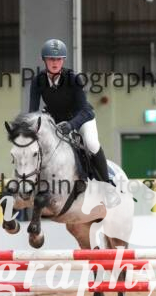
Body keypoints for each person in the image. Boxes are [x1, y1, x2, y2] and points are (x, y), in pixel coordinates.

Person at [29, 38, 113, 186]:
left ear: (63, 60)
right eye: (51, 59)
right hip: (56, 120)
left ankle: (107, 183)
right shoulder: (37, 81)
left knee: (91, 144)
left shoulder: (74, 79)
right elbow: (33, 112)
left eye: (59, 59)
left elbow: (84, 110)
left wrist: (71, 125)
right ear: (44, 60)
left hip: (81, 118)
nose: (55, 63)